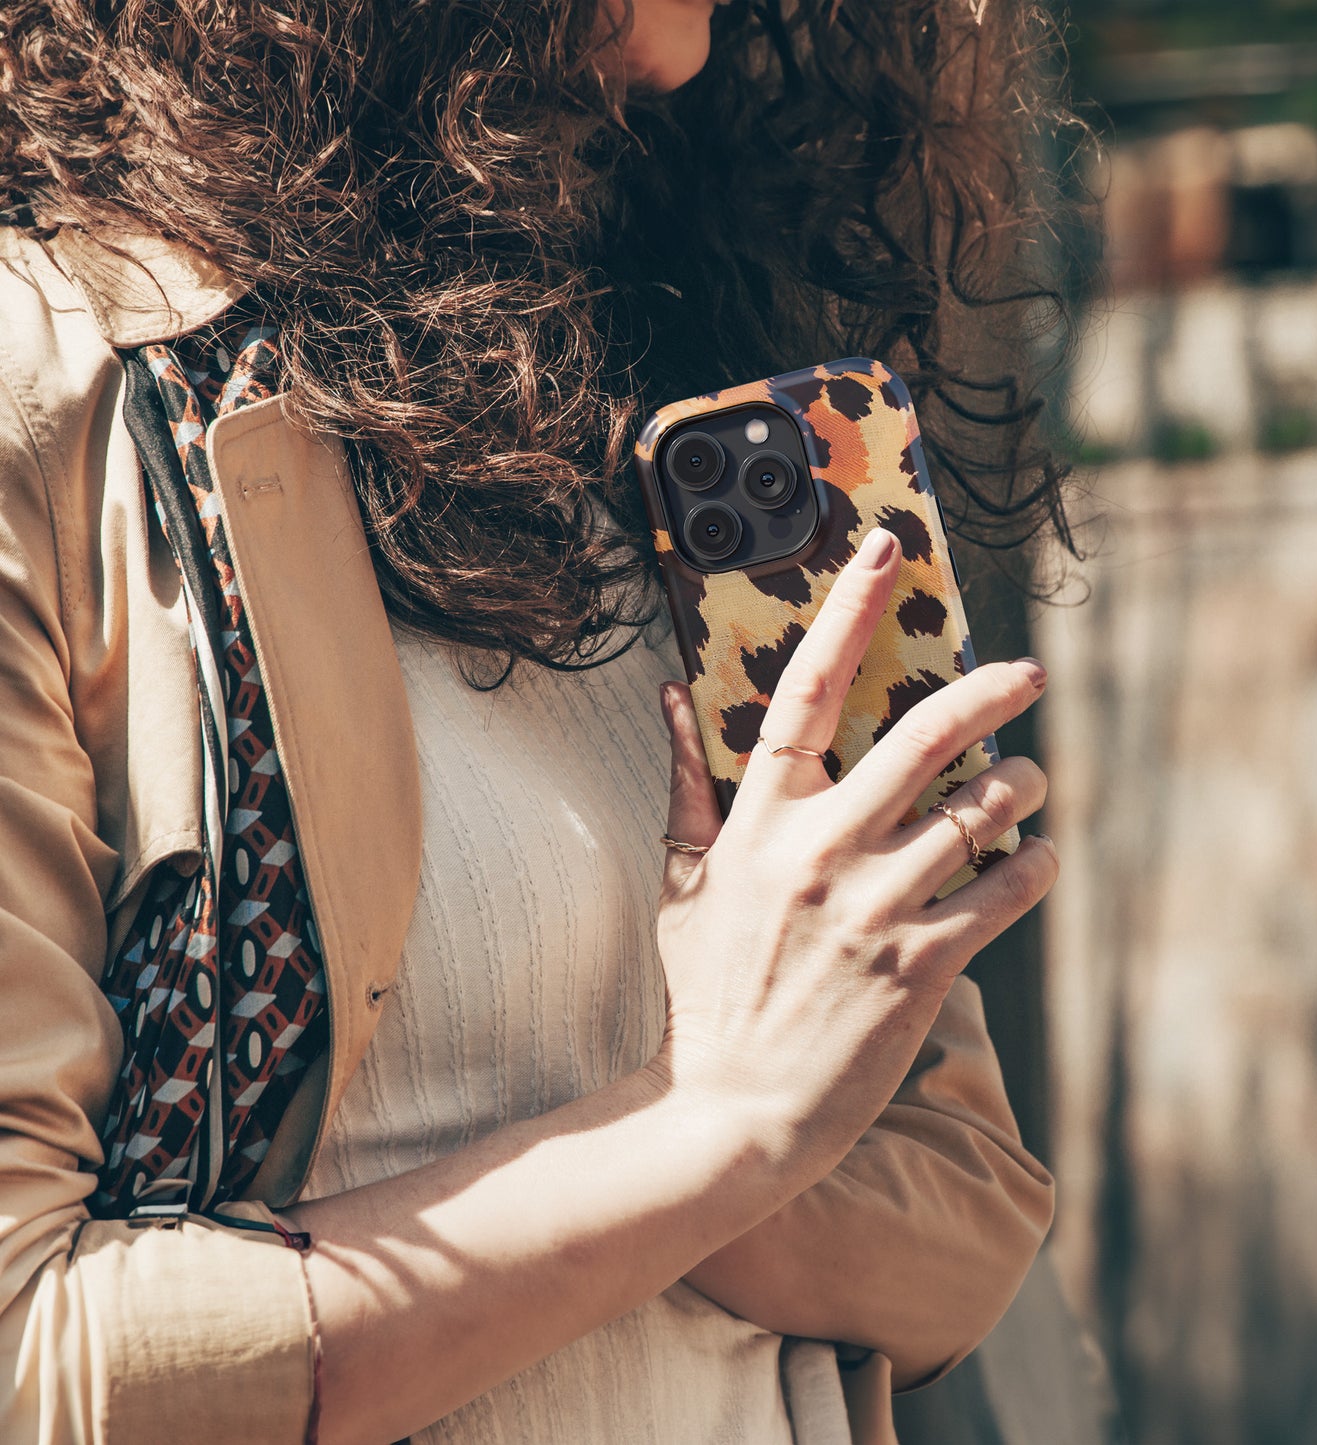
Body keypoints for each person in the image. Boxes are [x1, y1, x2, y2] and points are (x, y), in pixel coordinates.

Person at [0, 2, 1073, 1441]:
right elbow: (36, 1357)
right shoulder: (49, 417)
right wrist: (703, 1124)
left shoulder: (674, 370)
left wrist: (733, 1135)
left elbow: (965, 1221)